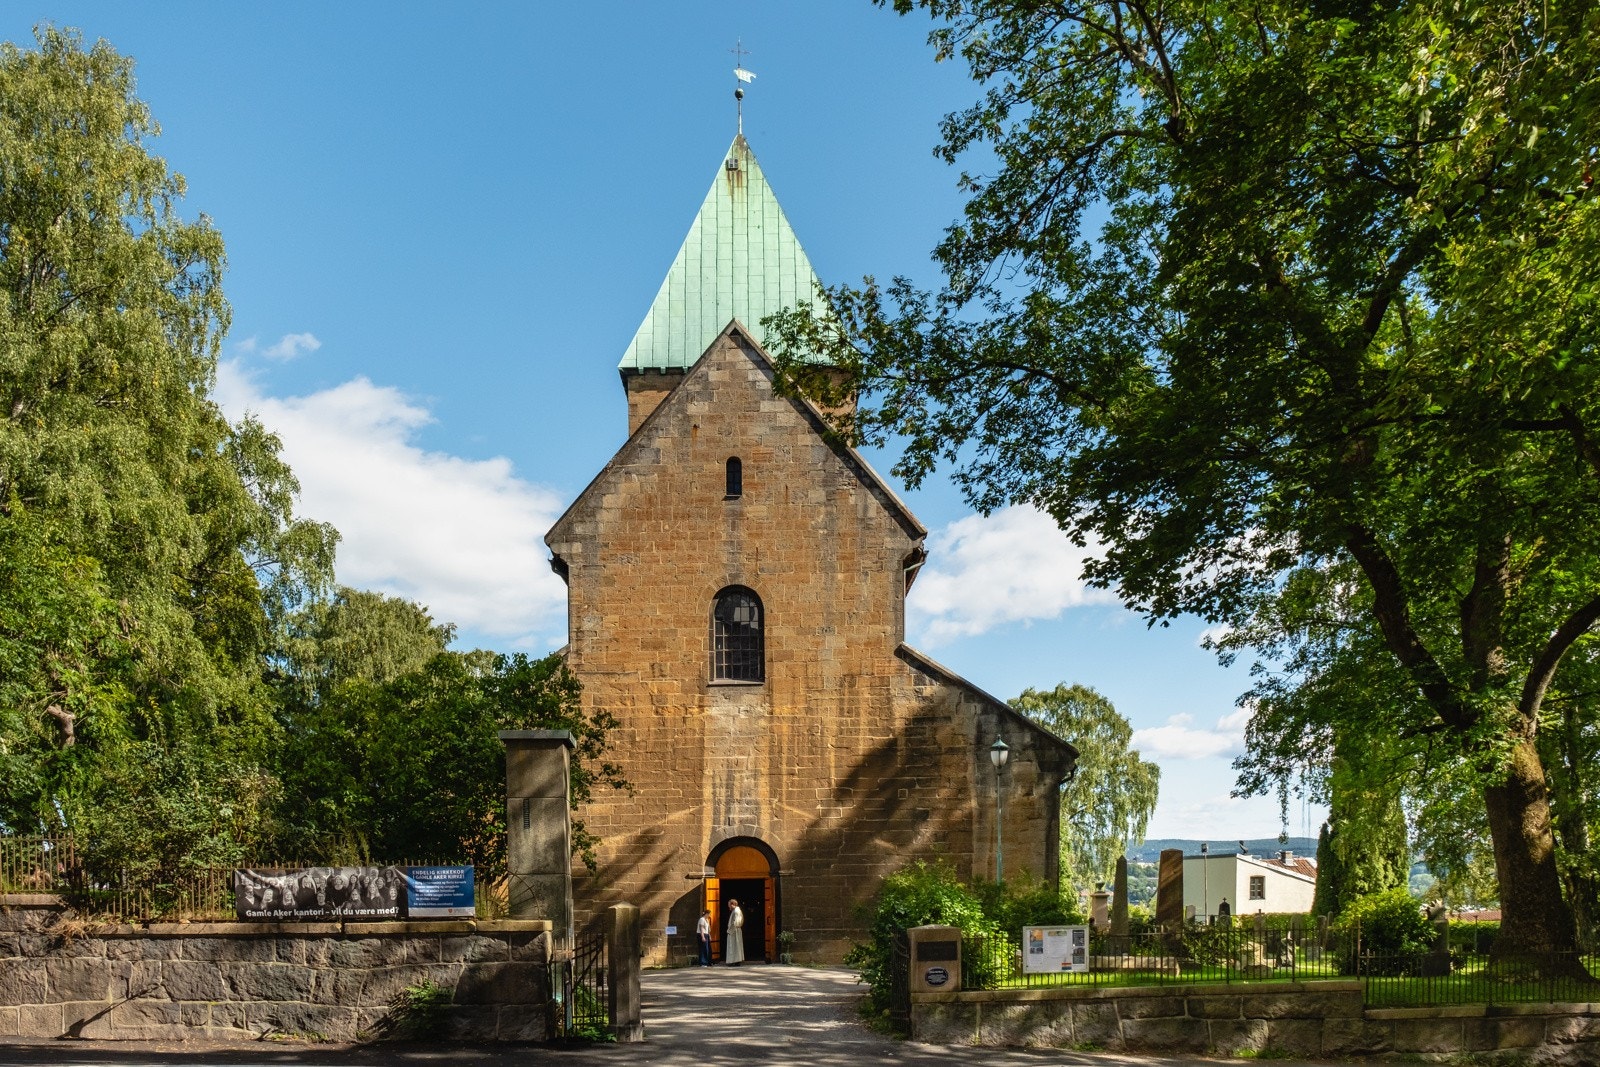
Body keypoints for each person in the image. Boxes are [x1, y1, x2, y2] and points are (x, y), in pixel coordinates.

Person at [725, 899, 745, 965]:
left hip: (734, 931)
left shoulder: (736, 911)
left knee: (733, 946)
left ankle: (733, 961)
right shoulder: (736, 910)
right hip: (735, 930)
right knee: (736, 946)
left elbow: (735, 922)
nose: (728, 907)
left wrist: (729, 931)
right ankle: (736, 961)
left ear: (732, 904)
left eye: (729, 905)